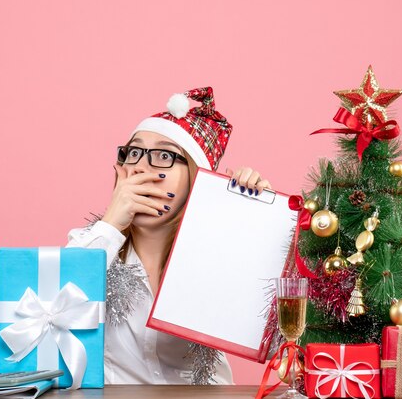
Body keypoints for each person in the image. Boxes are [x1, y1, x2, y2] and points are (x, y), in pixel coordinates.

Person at [66, 87, 272, 385]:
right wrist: (111, 222)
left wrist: (256, 222)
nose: (139, 166)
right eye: (133, 152)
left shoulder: (217, 252)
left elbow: (281, 336)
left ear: (196, 177)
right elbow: (55, 308)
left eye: (164, 155)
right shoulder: (91, 243)